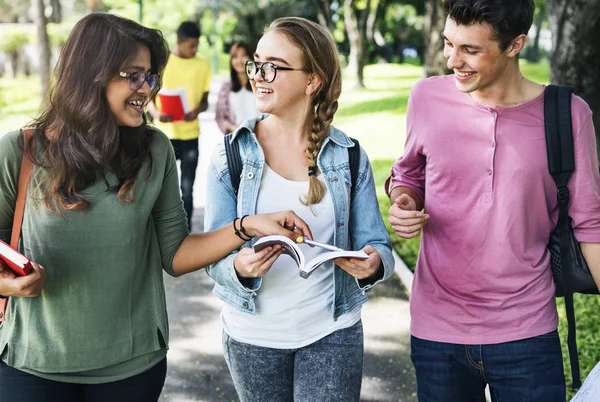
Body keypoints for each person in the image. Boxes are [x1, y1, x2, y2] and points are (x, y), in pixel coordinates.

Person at [0, 13, 313, 402]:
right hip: (31, 365)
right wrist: (7, 282)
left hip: (132, 368)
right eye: (134, 76)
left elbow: (175, 254)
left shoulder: (154, 150)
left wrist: (247, 225)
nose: (147, 90)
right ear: (91, 75)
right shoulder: (21, 152)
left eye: (151, 77)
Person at [386, 0, 600, 401]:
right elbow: (409, 172)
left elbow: (590, 223)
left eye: (470, 50)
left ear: (515, 44)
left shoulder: (569, 115)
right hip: (436, 330)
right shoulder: (426, 98)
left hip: (527, 331)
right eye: (449, 44)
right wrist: (404, 200)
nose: (452, 60)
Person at [204, 17, 395, 402]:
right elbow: (212, 256)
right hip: (252, 337)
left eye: (273, 66)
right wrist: (240, 267)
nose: (258, 75)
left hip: (332, 333)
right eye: (256, 63)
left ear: (312, 81)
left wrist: (372, 264)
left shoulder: (349, 156)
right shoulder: (231, 155)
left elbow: (379, 244)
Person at [148, 21, 210, 231]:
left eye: (196, 45)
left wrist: (197, 111)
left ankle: (186, 232)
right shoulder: (163, 63)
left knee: (187, 188)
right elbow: (149, 95)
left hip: (190, 134)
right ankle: (158, 229)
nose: (194, 49)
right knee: (160, 186)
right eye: (191, 45)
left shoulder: (203, 65)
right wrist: (156, 113)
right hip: (163, 135)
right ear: (179, 42)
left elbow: (205, 100)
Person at [215, 42, 259, 134]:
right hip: (237, 137)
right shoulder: (226, 88)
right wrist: (234, 128)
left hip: (260, 135)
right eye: (235, 57)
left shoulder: (260, 83)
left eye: (243, 56)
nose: (239, 61)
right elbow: (220, 117)